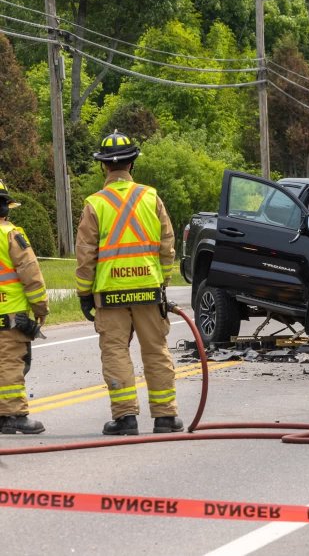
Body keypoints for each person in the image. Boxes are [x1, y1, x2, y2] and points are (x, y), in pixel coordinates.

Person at [75, 131, 180, 436]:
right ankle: (165, 417)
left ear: (103, 166)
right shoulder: (151, 197)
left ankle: (125, 418)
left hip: (110, 295)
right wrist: (163, 282)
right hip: (149, 290)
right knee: (156, 351)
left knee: (116, 352)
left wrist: (84, 293)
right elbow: (167, 246)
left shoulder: (95, 204)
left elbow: (85, 255)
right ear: (133, 163)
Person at [0, 180, 48, 434]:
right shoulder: (11, 234)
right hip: (8, 316)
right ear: (6, 208)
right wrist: (40, 308)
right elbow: (31, 274)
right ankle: (13, 415)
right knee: (10, 364)